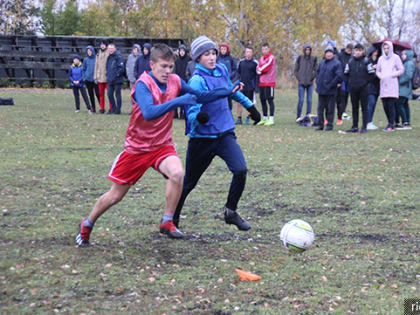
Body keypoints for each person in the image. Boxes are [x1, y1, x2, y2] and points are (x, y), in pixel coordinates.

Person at [75, 43, 241, 246]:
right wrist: (178, 102)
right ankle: (88, 222)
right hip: (137, 149)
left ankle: (167, 221)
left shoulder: (175, 80)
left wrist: (227, 91)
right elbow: (149, 112)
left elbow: (202, 96)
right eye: (163, 66)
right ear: (152, 65)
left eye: (171, 67)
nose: (168, 71)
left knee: (178, 173)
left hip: (162, 145)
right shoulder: (143, 84)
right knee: (115, 196)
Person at [172, 35, 261, 231]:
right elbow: (191, 108)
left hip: (225, 134)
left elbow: (232, 91)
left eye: (213, 53)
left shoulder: (221, 69)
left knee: (240, 170)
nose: (212, 57)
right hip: (202, 140)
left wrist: (250, 107)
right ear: (198, 58)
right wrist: (199, 117)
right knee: (188, 184)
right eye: (206, 54)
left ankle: (231, 212)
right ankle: (171, 220)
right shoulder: (197, 79)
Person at [344, 43, 374, 133]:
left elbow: (372, 74)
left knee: (364, 108)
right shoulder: (350, 61)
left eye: (360, 50)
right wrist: (349, 82)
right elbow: (345, 73)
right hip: (353, 88)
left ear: (363, 51)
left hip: (364, 89)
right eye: (356, 50)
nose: (358, 52)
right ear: (354, 51)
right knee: (354, 108)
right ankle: (354, 126)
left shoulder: (367, 61)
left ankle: (364, 126)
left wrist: (365, 83)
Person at [376, 41, 405, 132]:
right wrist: (381, 76)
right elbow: (378, 71)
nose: (386, 50)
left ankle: (391, 124)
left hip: (392, 83)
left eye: (388, 48)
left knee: (391, 104)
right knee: (385, 105)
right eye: (384, 48)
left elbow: (401, 69)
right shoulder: (380, 59)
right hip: (383, 84)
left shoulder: (396, 58)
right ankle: (389, 122)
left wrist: (392, 74)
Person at [315, 43, 343, 131]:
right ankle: (320, 125)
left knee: (330, 109)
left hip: (331, 90)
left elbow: (339, 76)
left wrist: (331, 85)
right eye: (327, 52)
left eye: (330, 52)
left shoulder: (337, 63)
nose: (328, 54)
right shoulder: (322, 62)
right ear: (325, 53)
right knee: (320, 109)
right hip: (321, 89)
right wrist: (317, 82)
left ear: (333, 53)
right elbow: (318, 73)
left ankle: (329, 125)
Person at [294, 43, 317, 120]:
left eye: (309, 50)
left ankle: (308, 116)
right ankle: (298, 116)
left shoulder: (313, 58)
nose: (307, 51)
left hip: (310, 83)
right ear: (304, 50)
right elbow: (295, 70)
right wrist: (299, 78)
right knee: (301, 100)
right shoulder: (300, 58)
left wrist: (312, 77)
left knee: (309, 100)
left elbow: (316, 70)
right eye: (306, 49)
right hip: (301, 83)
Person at [235, 46, 258, 125]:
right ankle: (239, 118)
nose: (248, 54)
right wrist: (237, 82)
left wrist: (256, 87)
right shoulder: (241, 62)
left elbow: (257, 75)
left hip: (250, 87)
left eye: (250, 52)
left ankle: (248, 118)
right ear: (245, 53)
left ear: (252, 53)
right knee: (239, 102)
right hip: (241, 86)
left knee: (249, 103)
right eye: (247, 52)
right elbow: (238, 73)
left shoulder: (255, 63)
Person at [256, 43, 277, 126]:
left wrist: (260, 70)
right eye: (263, 49)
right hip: (262, 82)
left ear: (269, 49)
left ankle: (271, 118)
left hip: (270, 82)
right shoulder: (261, 58)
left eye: (265, 49)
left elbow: (266, 67)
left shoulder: (271, 58)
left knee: (270, 100)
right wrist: (259, 69)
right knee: (262, 100)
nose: (264, 51)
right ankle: (265, 118)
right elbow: (258, 66)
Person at [396, 49, 415, 130]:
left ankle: (405, 122)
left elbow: (408, 76)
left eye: (404, 54)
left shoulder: (409, 63)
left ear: (408, 55)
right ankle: (407, 122)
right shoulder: (405, 63)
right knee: (405, 105)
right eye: (402, 54)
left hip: (405, 87)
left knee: (399, 104)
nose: (402, 56)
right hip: (404, 87)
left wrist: (399, 82)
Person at [217, 42, 238, 110]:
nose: (223, 50)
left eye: (224, 49)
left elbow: (235, 69)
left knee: (228, 98)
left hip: (228, 81)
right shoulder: (217, 58)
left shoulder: (231, 58)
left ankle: (229, 113)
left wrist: (230, 76)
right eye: (222, 49)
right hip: (219, 81)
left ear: (227, 49)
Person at [336, 44, 353, 125]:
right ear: (346, 49)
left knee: (346, 96)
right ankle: (340, 113)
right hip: (341, 79)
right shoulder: (340, 55)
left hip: (348, 80)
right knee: (341, 97)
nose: (349, 51)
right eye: (348, 50)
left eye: (351, 50)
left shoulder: (351, 57)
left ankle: (344, 112)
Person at [106, 43, 124, 114]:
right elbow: (107, 68)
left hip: (117, 80)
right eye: (109, 48)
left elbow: (121, 68)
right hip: (110, 79)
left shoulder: (118, 57)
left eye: (112, 48)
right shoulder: (109, 57)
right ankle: (113, 109)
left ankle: (118, 110)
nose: (110, 50)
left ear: (115, 49)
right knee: (109, 94)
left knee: (117, 95)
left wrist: (116, 74)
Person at [174, 44, 191, 118]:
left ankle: (183, 113)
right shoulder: (177, 61)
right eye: (180, 51)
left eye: (183, 51)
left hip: (186, 82)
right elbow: (175, 70)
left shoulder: (188, 60)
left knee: (185, 98)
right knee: (178, 97)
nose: (182, 52)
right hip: (178, 82)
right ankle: (176, 113)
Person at [94, 39, 111, 114]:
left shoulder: (109, 53)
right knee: (101, 94)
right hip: (100, 77)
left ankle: (111, 108)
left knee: (109, 94)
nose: (102, 45)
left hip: (107, 77)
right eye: (101, 44)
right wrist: (95, 77)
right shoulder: (98, 53)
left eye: (103, 44)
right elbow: (96, 65)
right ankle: (102, 108)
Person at [82, 46, 100, 113]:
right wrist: (84, 77)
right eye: (88, 51)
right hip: (88, 80)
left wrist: (98, 77)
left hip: (95, 80)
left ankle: (102, 108)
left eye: (90, 51)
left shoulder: (97, 58)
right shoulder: (85, 60)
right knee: (91, 94)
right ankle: (93, 108)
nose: (89, 52)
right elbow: (83, 69)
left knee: (98, 94)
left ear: (92, 51)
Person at [366, 46, 380, 130]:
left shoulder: (379, 61)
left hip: (377, 87)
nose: (375, 53)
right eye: (374, 52)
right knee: (371, 103)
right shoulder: (367, 61)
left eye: (377, 52)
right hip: (369, 86)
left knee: (373, 104)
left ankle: (370, 121)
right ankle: (368, 122)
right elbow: (367, 74)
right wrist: (373, 68)